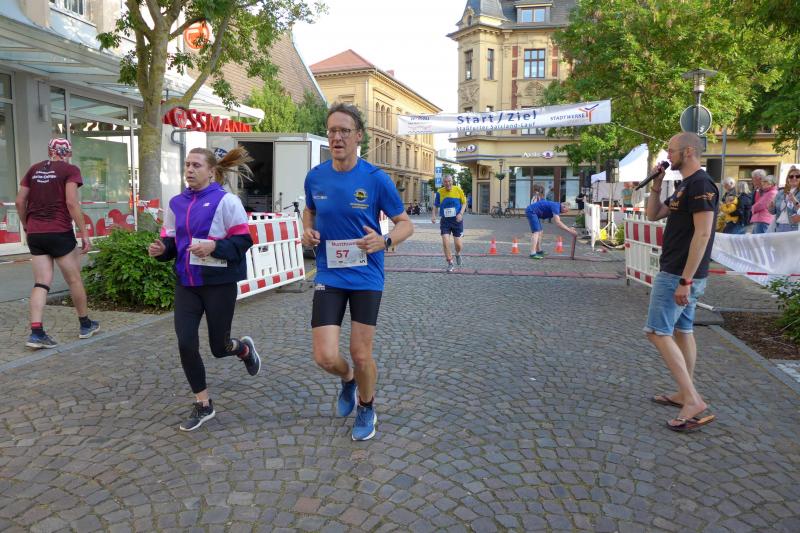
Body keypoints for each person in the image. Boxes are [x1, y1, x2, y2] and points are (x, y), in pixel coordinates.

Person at [302, 103, 413, 441]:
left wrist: (385, 240)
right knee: (324, 356)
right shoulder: (315, 176)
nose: (337, 137)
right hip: (329, 274)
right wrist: (307, 230)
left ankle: (367, 406)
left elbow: (405, 224)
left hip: (366, 276)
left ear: (358, 136)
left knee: (361, 353)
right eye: (332, 131)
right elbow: (309, 210)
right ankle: (348, 380)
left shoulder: (376, 179)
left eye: (344, 131)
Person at [148, 146, 261, 432]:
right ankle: (203, 403)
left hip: (218, 284)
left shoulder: (227, 202)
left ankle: (243, 349)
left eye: (196, 165)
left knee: (218, 348)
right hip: (186, 284)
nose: (189, 169)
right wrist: (162, 250)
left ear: (211, 171)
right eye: (187, 164)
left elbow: (243, 242)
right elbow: (171, 242)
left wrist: (214, 247)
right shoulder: (176, 203)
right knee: (186, 343)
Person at [644, 132, 718, 433]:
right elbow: (653, 214)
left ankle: (692, 399)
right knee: (682, 331)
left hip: (679, 273)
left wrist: (685, 280)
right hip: (681, 272)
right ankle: (683, 392)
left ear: (688, 151)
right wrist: (656, 185)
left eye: (671, 150)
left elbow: (703, 233)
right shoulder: (684, 185)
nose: (667, 156)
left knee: (656, 332)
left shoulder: (700, 184)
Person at [14, 138, 99, 349]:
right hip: (59, 231)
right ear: (68, 152)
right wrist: (84, 233)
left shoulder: (33, 169)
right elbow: (71, 202)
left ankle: (36, 333)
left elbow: (19, 201)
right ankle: (85, 325)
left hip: (36, 233)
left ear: (49, 151)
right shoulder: (70, 170)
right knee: (74, 280)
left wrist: (26, 225)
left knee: (41, 282)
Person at [431, 175, 467, 272]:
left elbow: (464, 203)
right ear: (443, 183)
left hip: (457, 220)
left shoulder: (458, 190)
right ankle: (450, 262)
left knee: (458, 245)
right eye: (445, 182)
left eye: (449, 181)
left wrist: (461, 213)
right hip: (445, 221)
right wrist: (433, 215)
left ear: (452, 181)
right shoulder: (440, 192)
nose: (448, 183)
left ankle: (457, 254)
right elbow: (435, 205)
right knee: (445, 242)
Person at [768, 167, 800, 232]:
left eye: (797, 176)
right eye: (791, 176)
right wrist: (770, 207)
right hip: (778, 226)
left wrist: (794, 200)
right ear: (788, 179)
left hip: (794, 227)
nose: (794, 178)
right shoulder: (781, 192)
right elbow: (773, 212)